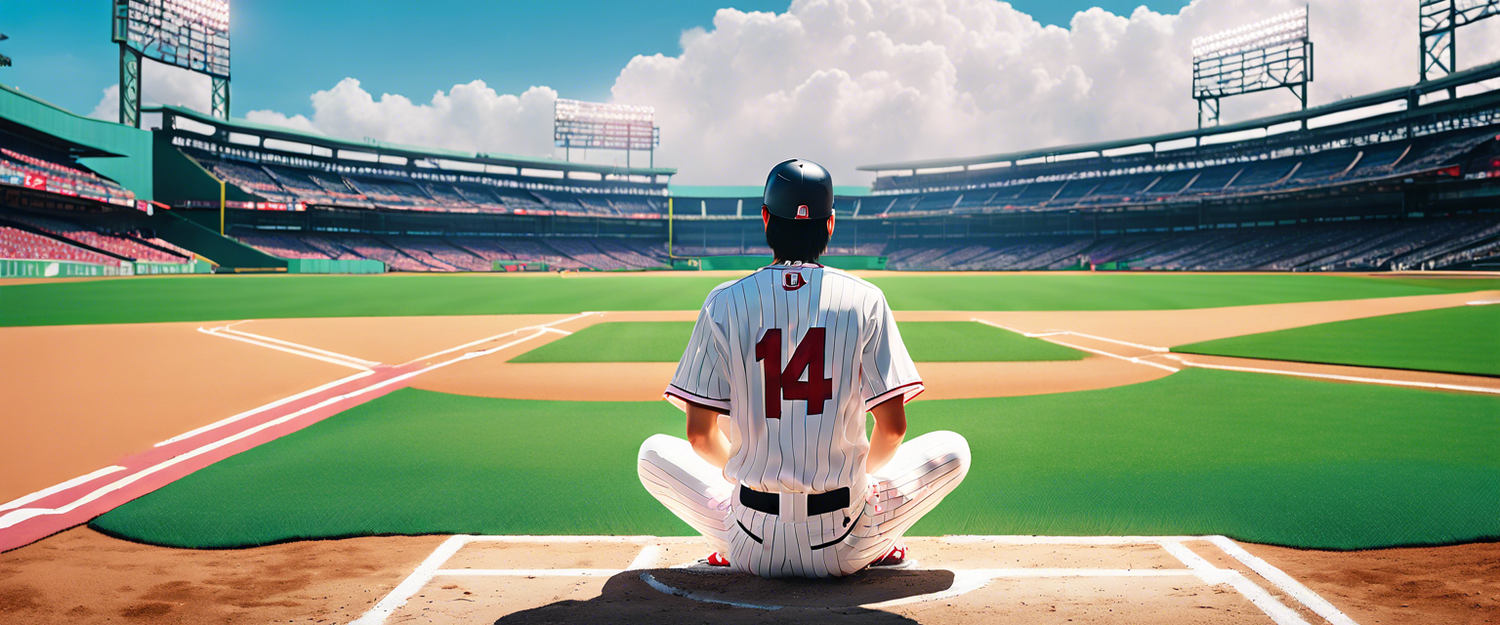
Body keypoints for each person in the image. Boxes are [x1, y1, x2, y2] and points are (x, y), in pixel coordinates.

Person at [637, 158, 971, 578]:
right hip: (846, 539)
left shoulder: (723, 301)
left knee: (651, 453)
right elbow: (893, 431)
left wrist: (740, 479)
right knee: (953, 449)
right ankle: (879, 543)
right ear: (830, 224)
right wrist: (857, 481)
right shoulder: (866, 299)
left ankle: (734, 533)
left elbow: (700, 436)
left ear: (764, 220)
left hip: (749, 538)